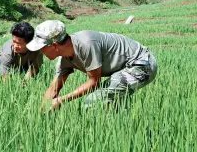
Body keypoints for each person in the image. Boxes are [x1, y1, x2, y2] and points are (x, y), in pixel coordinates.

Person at [26, 20, 157, 111]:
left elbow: (94, 82)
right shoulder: (64, 59)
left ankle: (99, 136)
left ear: (54, 45)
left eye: (42, 47)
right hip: (123, 69)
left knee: (93, 101)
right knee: (113, 107)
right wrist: (42, 110)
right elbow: (53, 89)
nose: (40, 51)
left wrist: (61, 100)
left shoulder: (86, 44)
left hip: (141, 64)